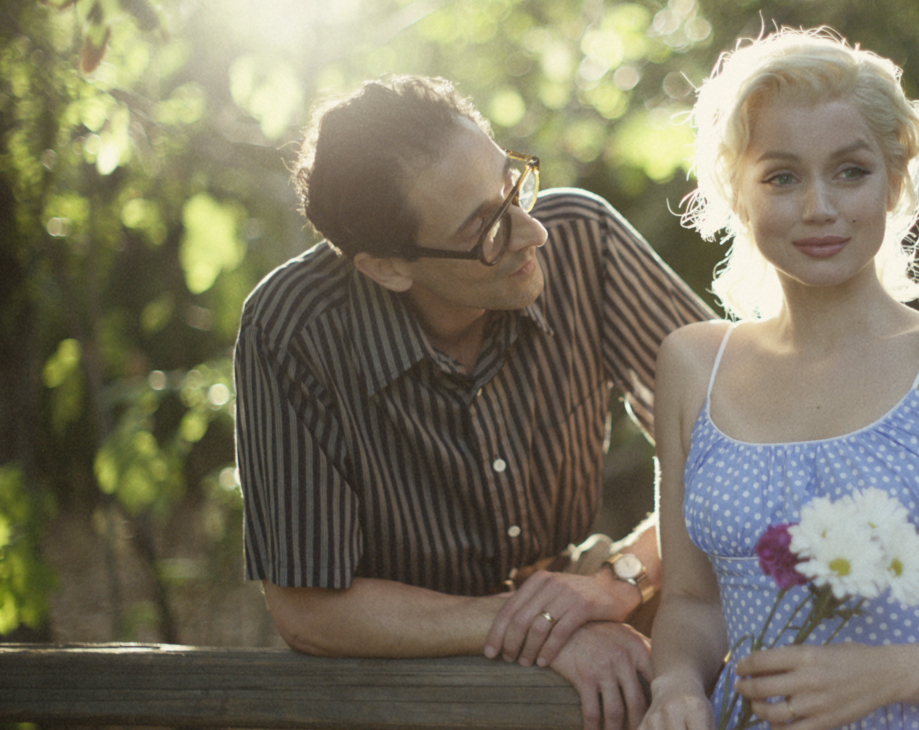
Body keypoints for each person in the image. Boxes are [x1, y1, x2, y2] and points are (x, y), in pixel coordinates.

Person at [640, 28, 919, 730]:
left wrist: (889, 675)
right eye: (782, 176)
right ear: (737, 190)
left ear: (895, 181)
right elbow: (695, 605)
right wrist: (675, 684)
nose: (819, 206)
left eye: (850, 171)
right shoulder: (693, 364)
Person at [233, 75, 714, 730]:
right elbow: (310, 610)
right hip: (399, 687)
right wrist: (546, 630)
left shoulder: (584, 240)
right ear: (387, 267)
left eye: (512, 184)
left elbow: (743, 439)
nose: (531, 232)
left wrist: (618, 581)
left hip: (593, 606)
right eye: (486, 227)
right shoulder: (293, 329)